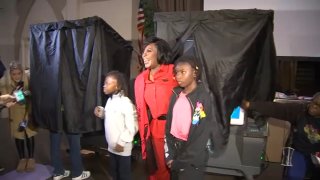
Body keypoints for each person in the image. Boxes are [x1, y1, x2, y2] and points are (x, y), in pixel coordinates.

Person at [241, 92, 320, 180]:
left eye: (318, 105)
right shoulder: (301, 110)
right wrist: (250, 105)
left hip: (317, 153)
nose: (313, 106)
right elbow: (278, 109)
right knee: (293, 176)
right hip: (298, 150)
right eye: (313, 102)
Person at [134, 37, 177, 180]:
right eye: (143, 52)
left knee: (174, 167)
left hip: (174, 129)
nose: (144, 55)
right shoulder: (141, 79)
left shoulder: (174, 72)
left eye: (149, 51)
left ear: (160, 53)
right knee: (158, 167)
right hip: (154, 130)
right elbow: (141, 108)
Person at [164, 56, 214, 180]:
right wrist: (169, 155)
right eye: (176, 73)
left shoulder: (202, 98)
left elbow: (200, 134)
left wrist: (180, 162)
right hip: (175, 151)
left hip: (192, 158)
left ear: (195, 73)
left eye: (183, 72)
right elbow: (168, 127)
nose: (178, 76)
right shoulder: (175, 94)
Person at [94, 70, 138, 180]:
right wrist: (102, 113)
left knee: (124, 175)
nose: (104, 86)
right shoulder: (110, 100)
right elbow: (111, 117)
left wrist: (121, 142)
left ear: (117, 86)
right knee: (114, 173)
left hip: (122, 148)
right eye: (104, 83)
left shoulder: (126, 103)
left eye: (108, 83)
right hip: (111, 147)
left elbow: (131, 126)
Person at [2, 61, 37, 172]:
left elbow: (35, 93)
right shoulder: (4, 83)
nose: (17, 76)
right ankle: (22, 159)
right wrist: (13, 96)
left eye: (19, 73)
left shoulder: (28, 80)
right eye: (14, 74)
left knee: (30, 134)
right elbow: (4, 99)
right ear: (10, 74)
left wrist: (28, 93)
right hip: (15, 113)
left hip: (28, 111)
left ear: (22, 73)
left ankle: (31, 159)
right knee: (18, 135)